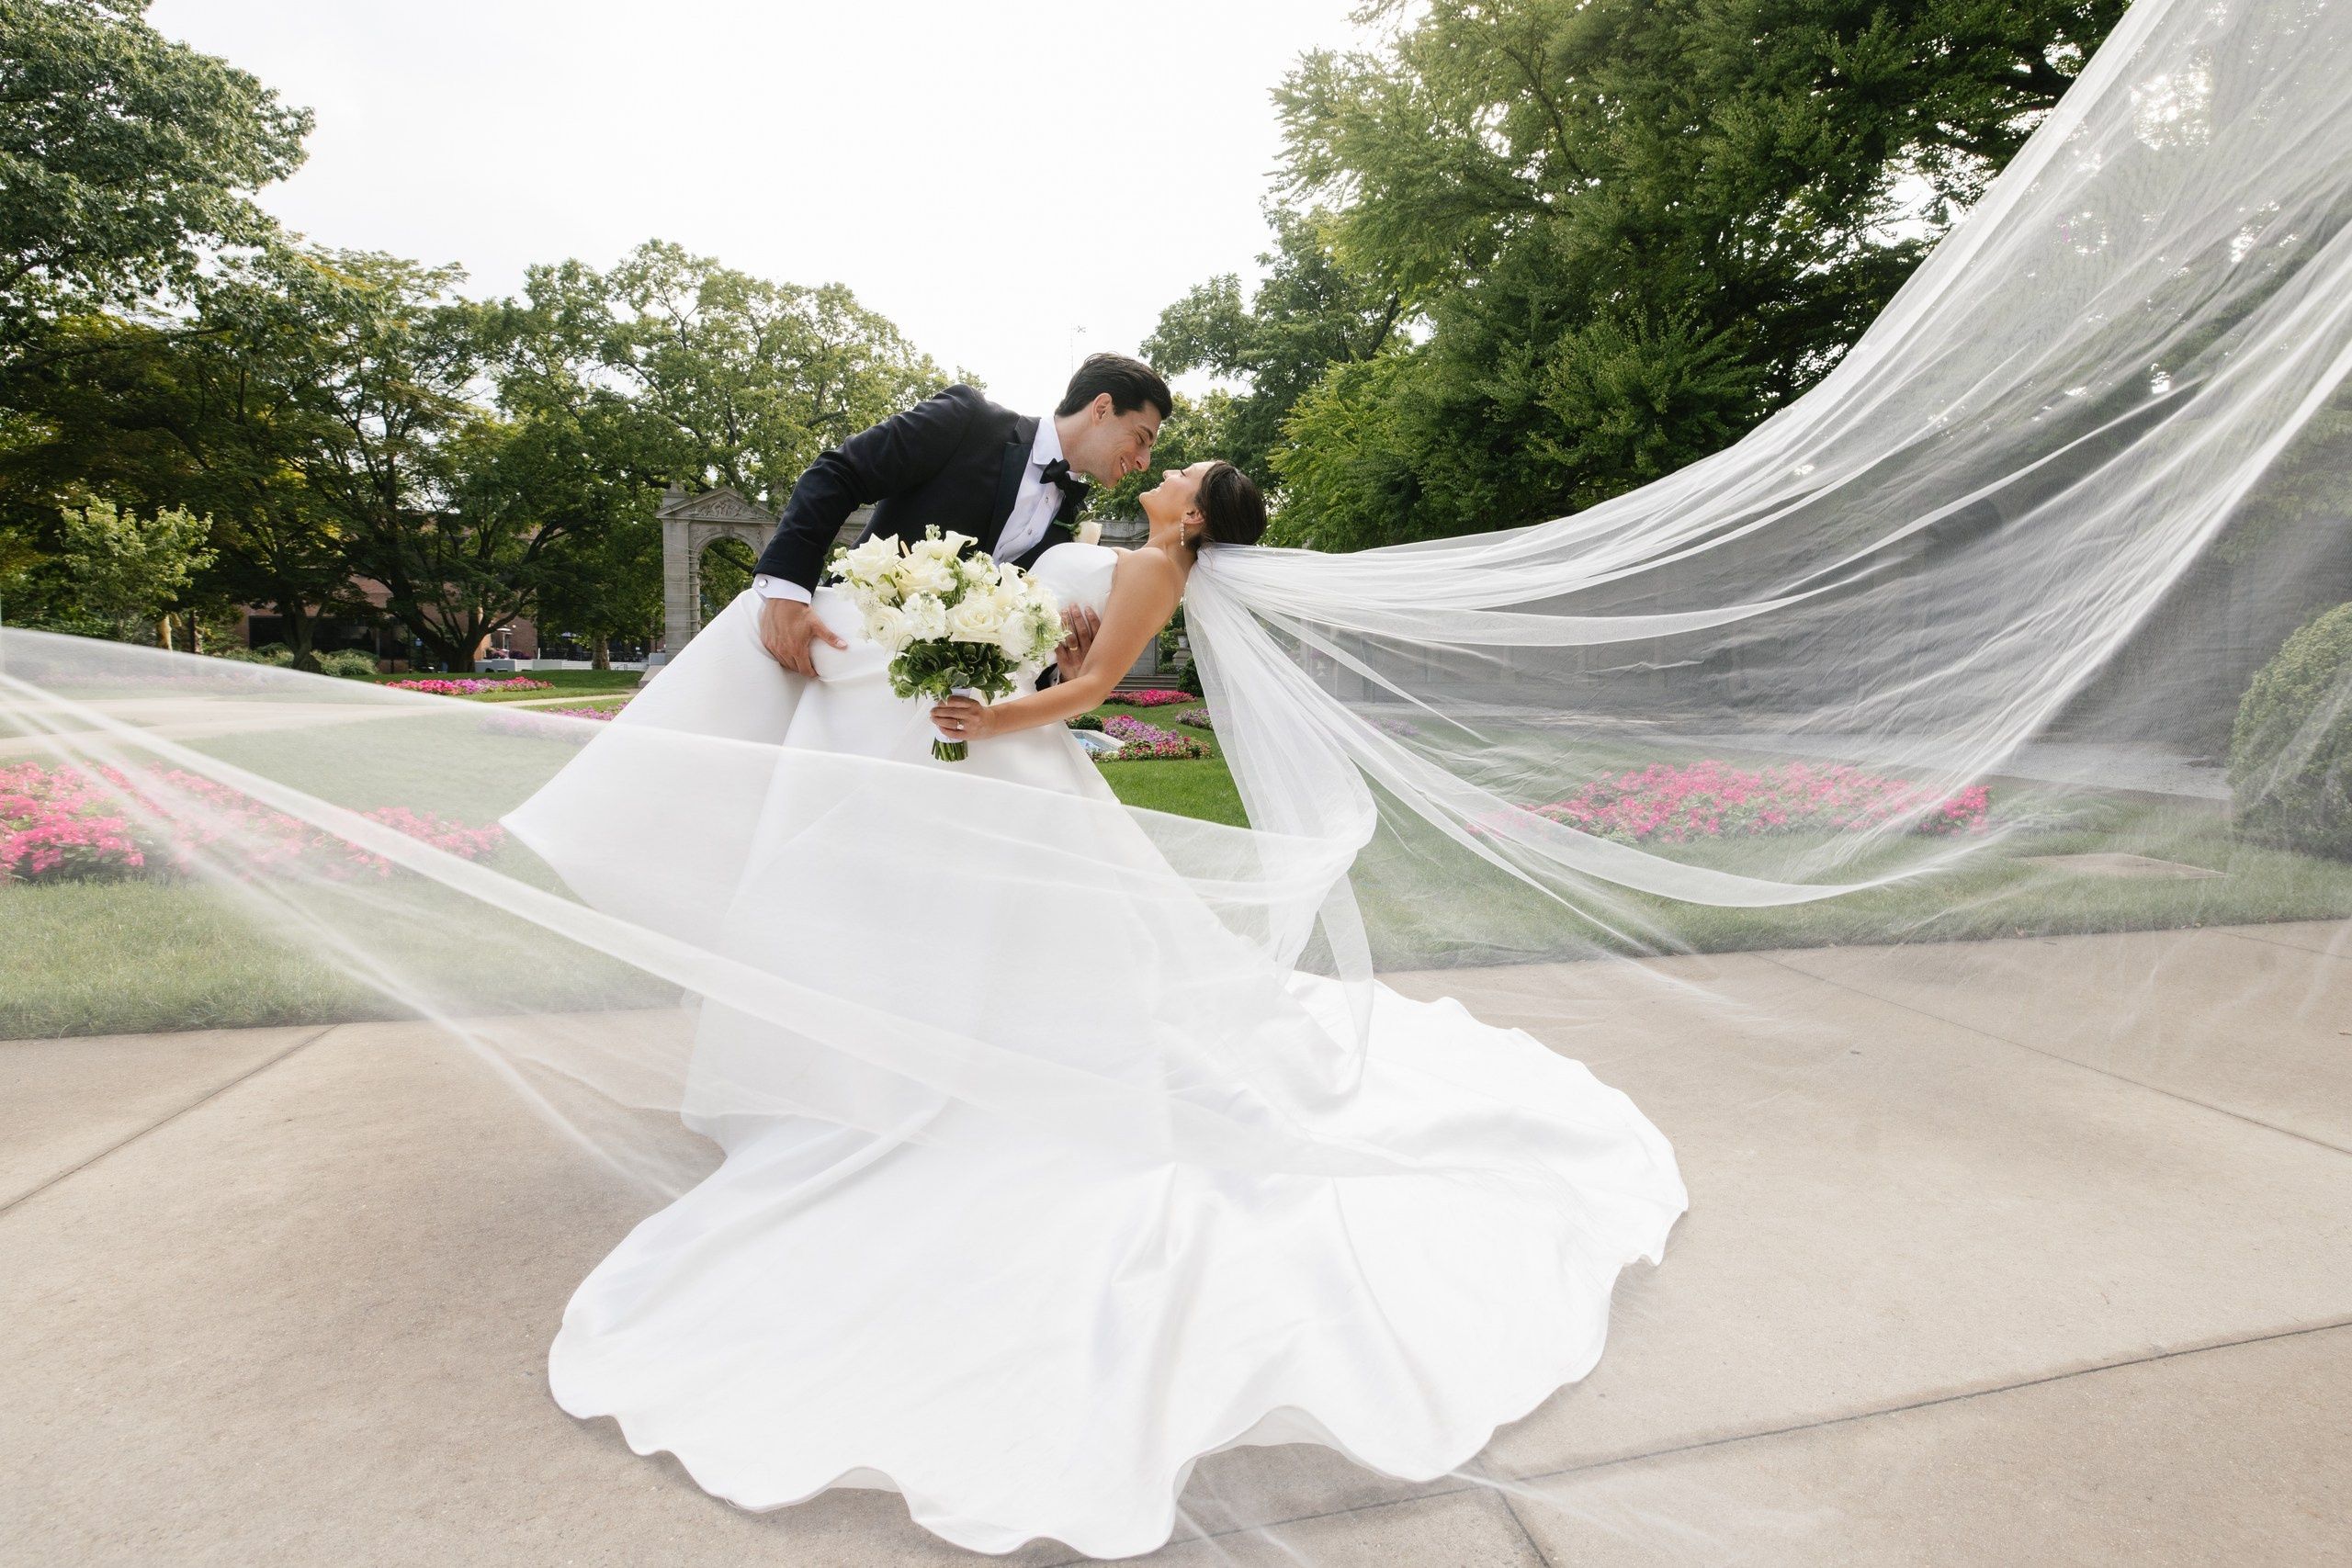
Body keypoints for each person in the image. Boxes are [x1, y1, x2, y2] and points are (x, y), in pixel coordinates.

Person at [503, 450, 1685, 1559]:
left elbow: (1101, 686)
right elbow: (1076, 657)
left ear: (1191, 516)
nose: (1164, 465)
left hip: (1013, 749)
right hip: (1009, 753)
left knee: (1040, 952)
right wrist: (1009, 656)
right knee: (1011, 936)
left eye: (1181, 472)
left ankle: (986, 1069)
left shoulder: (1150, 566)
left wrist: (987, 714)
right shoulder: (1131, 553)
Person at [748, 352, 1172, 681]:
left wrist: (1061, 674)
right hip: (836, 644)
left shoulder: (1072, 524)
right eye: (1141, 438)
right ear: (1101, 408)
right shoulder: (969, 419)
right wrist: (787, 594)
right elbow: (839, 473)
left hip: (929, 706)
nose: (1143, 461)